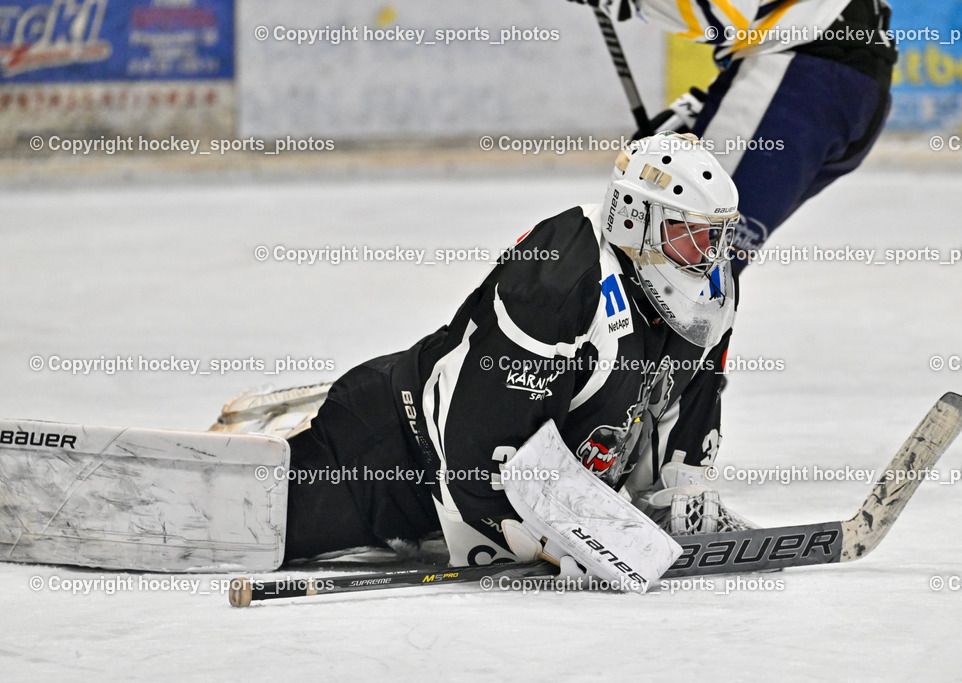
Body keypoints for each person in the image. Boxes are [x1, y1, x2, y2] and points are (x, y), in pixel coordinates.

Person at [256, 133, 754, 570]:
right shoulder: (559, 277)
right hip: (390, 460)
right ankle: (273, 433)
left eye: (717, 235)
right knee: (258, 525)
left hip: (503, 481)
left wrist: (680, 493)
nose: (711, 256)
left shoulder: (705, 291)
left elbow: (688, 394)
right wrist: (537, 535)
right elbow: (478, 437)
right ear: (634, 220)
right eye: (691, 233)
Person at [569, 0, 897, 274]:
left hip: (802, 81)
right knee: (705, 270)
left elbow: (724, 15)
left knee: (671, 267)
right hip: (852, 90)